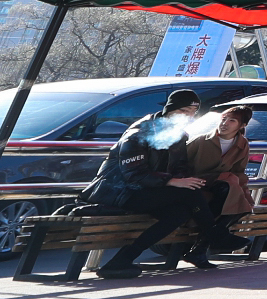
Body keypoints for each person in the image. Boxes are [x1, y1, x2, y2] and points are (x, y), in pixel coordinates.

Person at [84, 91, 218, 276]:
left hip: (147, 191)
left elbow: (180, 167)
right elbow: (133, 175)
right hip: (119, 192)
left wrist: (185, 181)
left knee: (181, 210)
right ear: (169, 110)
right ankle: (215, 234)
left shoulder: (177, 135)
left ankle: (120, 261)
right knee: (189, 193)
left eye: (193, 112)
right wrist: (172, 181)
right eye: (183, 111)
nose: (188, 116)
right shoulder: (139, 133)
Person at [186, 104, 257, 255]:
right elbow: (179, 164)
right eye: (223, 119)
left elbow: (239, 172)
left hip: (221, 188)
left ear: (242, 125)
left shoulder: (242, 144)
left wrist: (245, 194)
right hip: (196, 186)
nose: (224, 123)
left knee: (241, 203)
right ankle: (211, 243)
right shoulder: (201, 140)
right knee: (231, 191)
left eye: (232, 121)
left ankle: (200, 249)